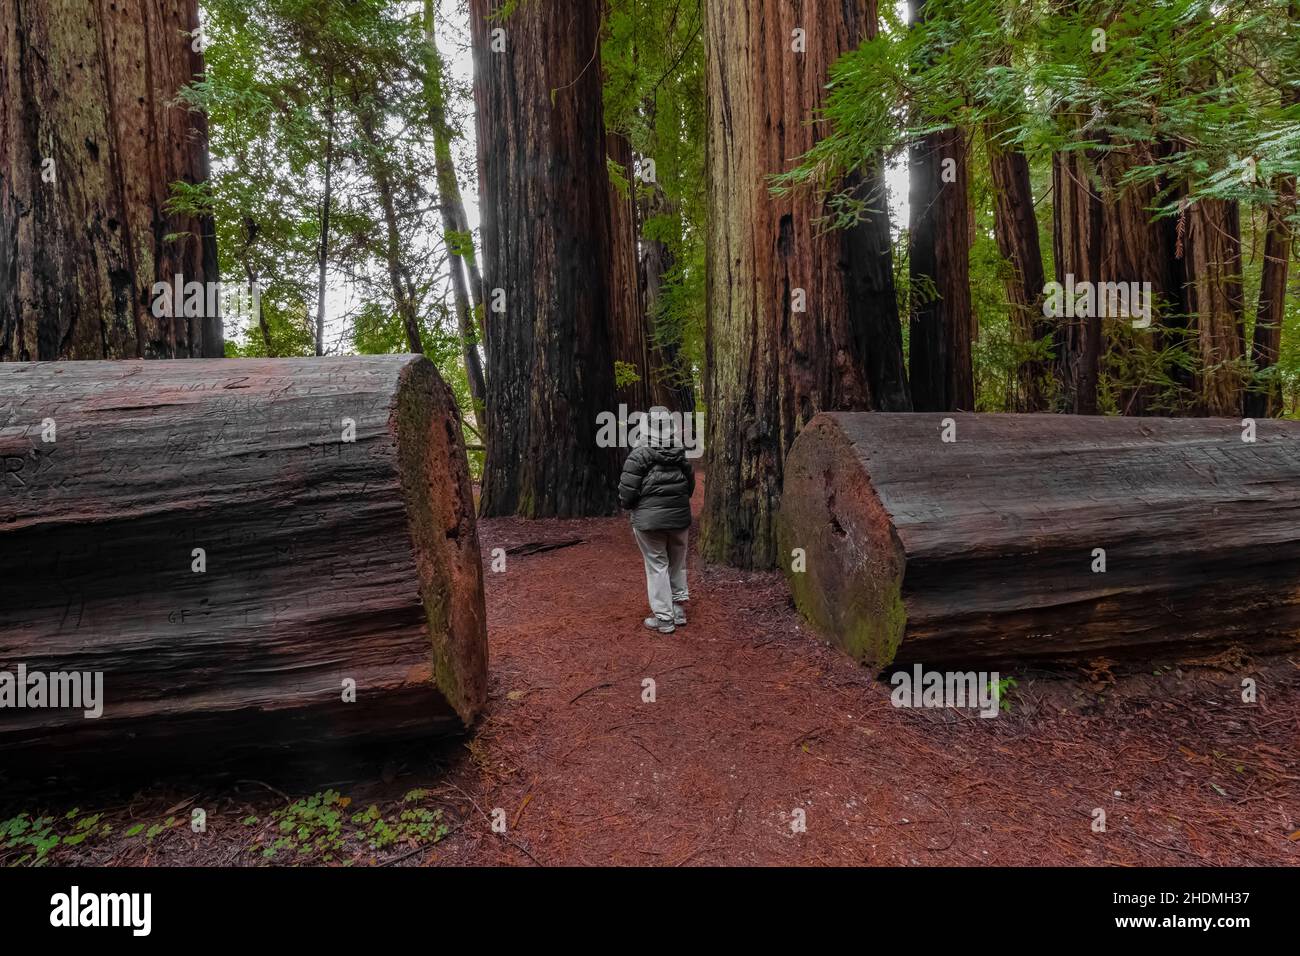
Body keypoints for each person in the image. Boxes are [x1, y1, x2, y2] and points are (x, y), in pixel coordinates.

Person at [617, 407, 694, 634]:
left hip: (649, 522)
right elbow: (689, 486)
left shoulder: (638, 455)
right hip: (679, 519)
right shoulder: (679, 452)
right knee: (677, 562)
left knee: (657, 565)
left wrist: (632, 508)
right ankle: (678, 609)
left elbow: (627, 492)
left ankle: (664, 617)